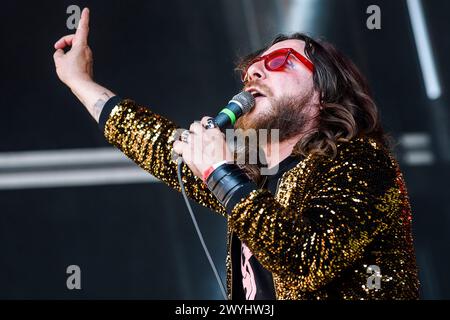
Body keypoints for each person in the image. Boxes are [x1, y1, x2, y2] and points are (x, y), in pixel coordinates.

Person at [53, 8, 419, 300]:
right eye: (252, 67)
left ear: (324, 91)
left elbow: (305, 258)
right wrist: (80, 82)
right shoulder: (256, 167)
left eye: (280, 62)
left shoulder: (361, 161)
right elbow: (160, 145)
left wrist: (220, 171)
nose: (255, 70)